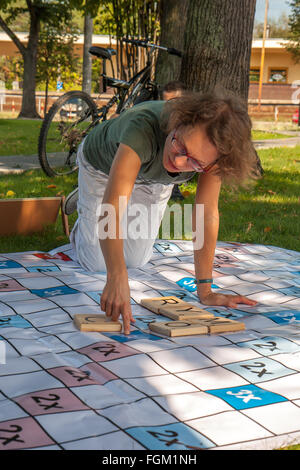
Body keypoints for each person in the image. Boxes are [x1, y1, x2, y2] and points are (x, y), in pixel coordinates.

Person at [65, 90, 260, 334]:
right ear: (178, 122)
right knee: (97, 263)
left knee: (135, 260)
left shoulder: (213, 154)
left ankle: (99, 212)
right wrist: (116, 276)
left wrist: (206, 291)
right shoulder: (143, 128)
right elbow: (111, 207)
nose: (179, 163)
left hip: (154, 179)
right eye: (181, 144)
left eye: (195, 163)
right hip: (103, 168)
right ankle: (85, 214)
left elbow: (206, 213)